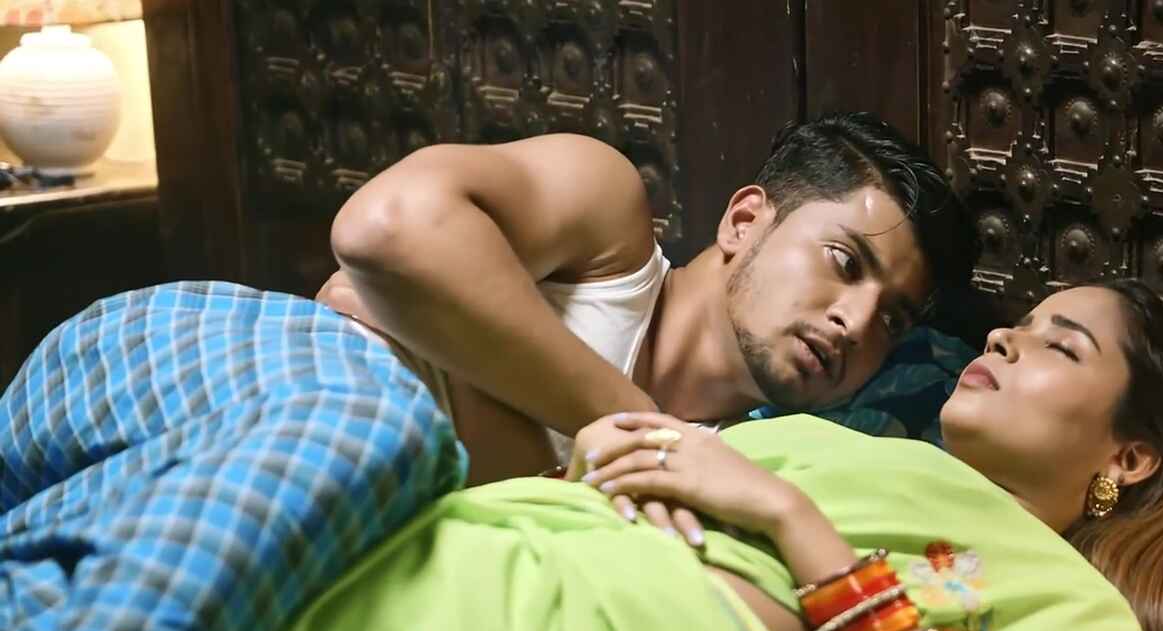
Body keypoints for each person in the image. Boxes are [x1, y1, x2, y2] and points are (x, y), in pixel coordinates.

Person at [196, 280, 1163, 631]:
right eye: (1020, 320)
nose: (1004, 335)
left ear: (1130, 457)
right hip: (492, 543)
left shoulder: (1080, 613)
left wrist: (791, 523)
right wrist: (601, 456)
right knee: (256, 339)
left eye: (1059, 345)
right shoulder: (829, 434)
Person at [316, 112, 976, 490]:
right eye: (844, 261)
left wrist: (457, 371)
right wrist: (639, 426)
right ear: (744, 221)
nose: (855, 323)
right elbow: (384, 231)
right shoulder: (605, 229)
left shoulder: (743, 474)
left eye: (892, 320)